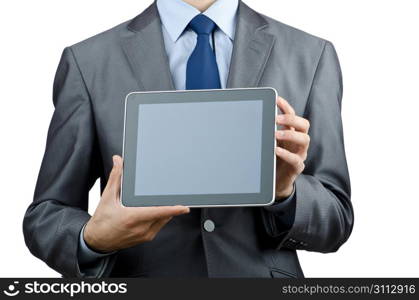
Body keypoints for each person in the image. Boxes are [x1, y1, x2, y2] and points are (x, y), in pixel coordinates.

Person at [23, 0, 353, 278]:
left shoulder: (310, 55)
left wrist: (286, 194)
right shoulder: (89, 62)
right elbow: (47, 215)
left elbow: (336, 216)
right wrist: (91, 239)